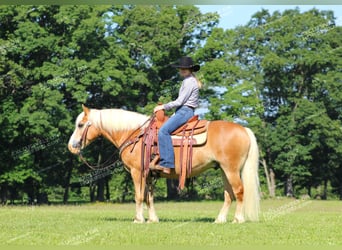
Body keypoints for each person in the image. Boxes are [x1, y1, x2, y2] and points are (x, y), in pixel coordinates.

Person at [152, 56, 202, 174]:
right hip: (183, 110)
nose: (183, 70)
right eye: (181, 68)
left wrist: (162, 106)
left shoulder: (189, 81)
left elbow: (180, 102)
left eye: (185, 68)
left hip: (185, 111)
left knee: (163, 131)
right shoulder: (188, 80)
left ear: (190, 69)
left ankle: (167, 164)